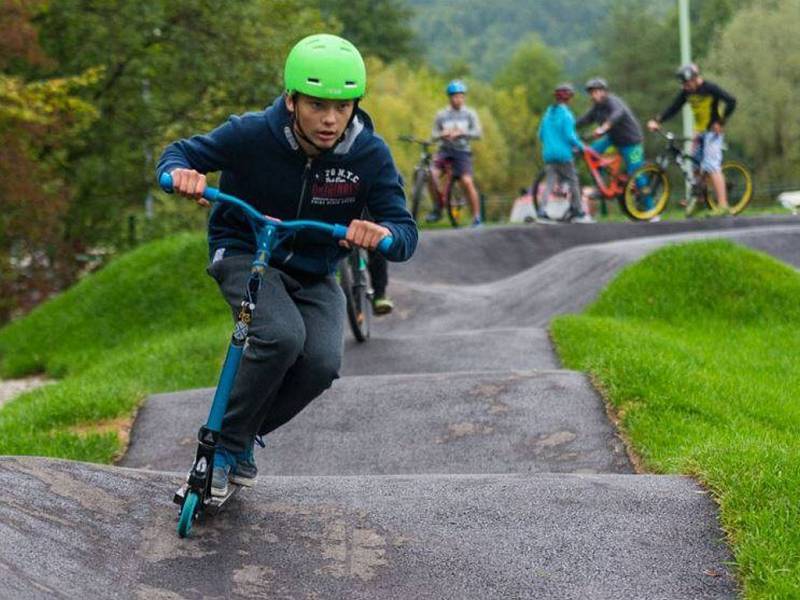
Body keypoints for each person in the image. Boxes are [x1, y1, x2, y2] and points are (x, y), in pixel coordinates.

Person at [156, 33, 417, 497]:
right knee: (279, 336)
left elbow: (404, 230)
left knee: (321, 363)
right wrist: (181, 175)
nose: (330, 119)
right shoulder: (251, 134)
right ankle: (219, 448)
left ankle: (236, 441)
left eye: (343, 106)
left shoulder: (369, 156)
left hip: (317, 268)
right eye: (317, 105)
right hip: (243, 249)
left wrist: (385, 236)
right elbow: (179, 154)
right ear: (292, 99)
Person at [648, 63, 736, 215]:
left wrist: (721, 122)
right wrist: (657, 120)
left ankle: (723, 205)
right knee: (695, 166)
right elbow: (674, 107)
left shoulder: (710, 88)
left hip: (712, 133)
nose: (686, 87)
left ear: (695, 79)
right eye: (684, 84)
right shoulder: (686, 92)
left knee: (711, 165)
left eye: (688, 83)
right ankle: (701, 201)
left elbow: (731, 101)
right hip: (699, 132)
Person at [577, 78, 652, 216]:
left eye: (598, 91)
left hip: (632, 142)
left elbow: (617, 114)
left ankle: (651, 209)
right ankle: (602, 185)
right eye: (592, 92)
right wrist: (566, 128)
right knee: (591, 154)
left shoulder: (614, 102)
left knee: (636, 173)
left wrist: (604, 127)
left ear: (605, 92)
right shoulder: (596, 108)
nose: (595, 95)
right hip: (613, 140)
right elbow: (583, 121)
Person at [426, 80, 483, 227]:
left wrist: (462, 133)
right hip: (444, 151)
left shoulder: (470, 114)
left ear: (464, 97)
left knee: (467, 182)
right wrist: (442, 134)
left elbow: (478, 133)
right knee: (431, 174)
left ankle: (476, 217)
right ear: (449, 97)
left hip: (462, 152)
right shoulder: (441, 115)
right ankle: (437, 207)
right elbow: (433, 134)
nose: (457, 99)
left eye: (460, 96)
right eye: (454, 96)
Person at [536, 83, 593, 223]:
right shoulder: (567, 114)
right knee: (573, 181)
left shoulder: (547, 114)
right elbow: (570, 136)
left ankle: (541, 212)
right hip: (563, 155)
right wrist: (581, 146)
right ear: (569, 98)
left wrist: (552, 143)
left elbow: (540, 135)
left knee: (549, 183)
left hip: (548, 155)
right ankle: (579, 213)